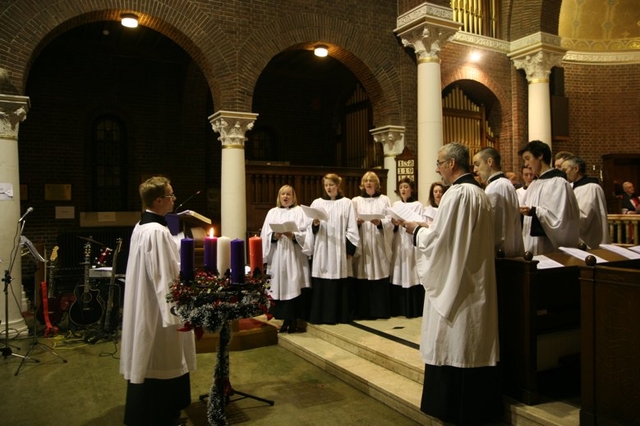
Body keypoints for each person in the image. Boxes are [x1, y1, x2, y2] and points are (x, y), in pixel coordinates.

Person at [404, 142, 502, 424]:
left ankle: (450, 408)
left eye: (439, 163)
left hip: (458, 285)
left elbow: (440, 241)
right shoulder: (479, 194)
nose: (437, 168)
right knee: (472, 343)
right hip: (476, 280)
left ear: (451, 164)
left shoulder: (457, 195)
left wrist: (417, 233)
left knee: (456, 343)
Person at [120, 176, 196, 426]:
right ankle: (161, 416)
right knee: (161, 358)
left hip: (147, 304)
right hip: (159, 311)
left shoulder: (141, 226)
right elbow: (164, 276)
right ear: (159, 200)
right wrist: (176, 314)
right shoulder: (156, 232)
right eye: (171, 195)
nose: (175, 199)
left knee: (150, 358)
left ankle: (150, 413)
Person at [304, 173, 359, 324]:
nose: (328, 188)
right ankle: (321, 315)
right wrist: (315, 224)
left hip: (339, 249)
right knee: (322, 278)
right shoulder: (317, 203)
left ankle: (340, 316)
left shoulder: (347, 203)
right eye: (326, 185)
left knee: (339, 279)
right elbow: (309, 228)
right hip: (322, 248)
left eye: (331, 185)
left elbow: (352, 228)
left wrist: (349, 249)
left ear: (338, 186)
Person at [260, 185, 311, 333]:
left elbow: (307, 233)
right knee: (280, 286)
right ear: (279, 196)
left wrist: (294, 235)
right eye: (283, 194)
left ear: (293, 197)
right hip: (278, 256)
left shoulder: (300, 211)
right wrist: (274, 237)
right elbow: (265, 234)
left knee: (294, 284)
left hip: (294, 255)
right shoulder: (272, 212)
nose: (286, 197)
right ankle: (284, 320)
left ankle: (294, 320)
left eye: (289, 194)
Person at [518, 140, 580, 255]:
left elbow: (560, 220)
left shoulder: (558, 183)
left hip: (549, 248)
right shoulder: (534, 184)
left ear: (540, 155)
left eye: (527, 158)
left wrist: (534, 211)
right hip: (531, 246)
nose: (526, 164)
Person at [351, 171, 394, 319]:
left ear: (377, 184)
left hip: (378, 242)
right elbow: (349, 221)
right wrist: (356, 222)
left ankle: (380, 311)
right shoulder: (356, 201)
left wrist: (380, 222)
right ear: (362, 185)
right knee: (363, 272)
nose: (369, 183)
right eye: (366, 181)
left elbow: (390, 219)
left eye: (372, 181)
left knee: (380, 272)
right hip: (363, 241)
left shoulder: (384, 200)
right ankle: (364, 312)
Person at [473, 147, 524, 257]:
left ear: (490, 162)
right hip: (509, 250)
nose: (475, 170)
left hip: (500, 255)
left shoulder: (496, 187)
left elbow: (494, 225)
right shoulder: (504, 183)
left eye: (477, 164)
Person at [389, 178, 425, 318]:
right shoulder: (396, 204)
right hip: (399, 241)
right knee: (399, 269)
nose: (403, 190)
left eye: (406, 187)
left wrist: (409, 223)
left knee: (412, 270)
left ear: (411, 189)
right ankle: (400, 309)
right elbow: (389, 226)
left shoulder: (418, 205)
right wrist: (393, 223)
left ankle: (414, 308)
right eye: (401, 187)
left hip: (411, 240)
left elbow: (422, 222)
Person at [560, 156, 610, 249]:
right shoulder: (575, 188)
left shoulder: (590, 188)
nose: (563, 174)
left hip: (589, 241)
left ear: (576, 168)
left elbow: (584, 217)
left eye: (564, 170)